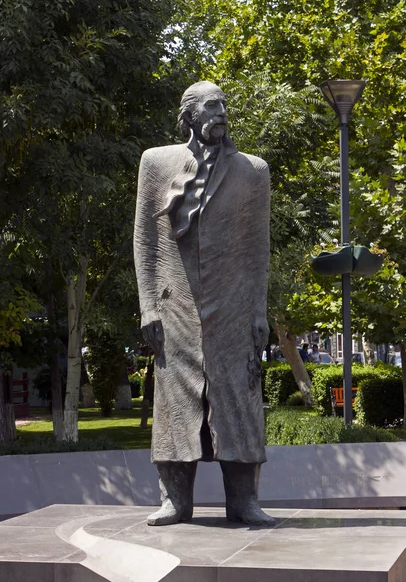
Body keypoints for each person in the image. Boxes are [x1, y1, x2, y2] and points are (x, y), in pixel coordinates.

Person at [134, 81, 272, 527]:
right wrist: (148, 306)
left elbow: (257, 248)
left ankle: (244, 501)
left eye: (225, 106)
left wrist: (257, 312)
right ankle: (175, 501)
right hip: (175, 307)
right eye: (212, 107)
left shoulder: (253, 171)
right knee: (175, 401)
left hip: (232, 307)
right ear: (190, 114)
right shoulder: (156, 163)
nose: (222, 113)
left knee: (240, 397)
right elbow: (146, 239)